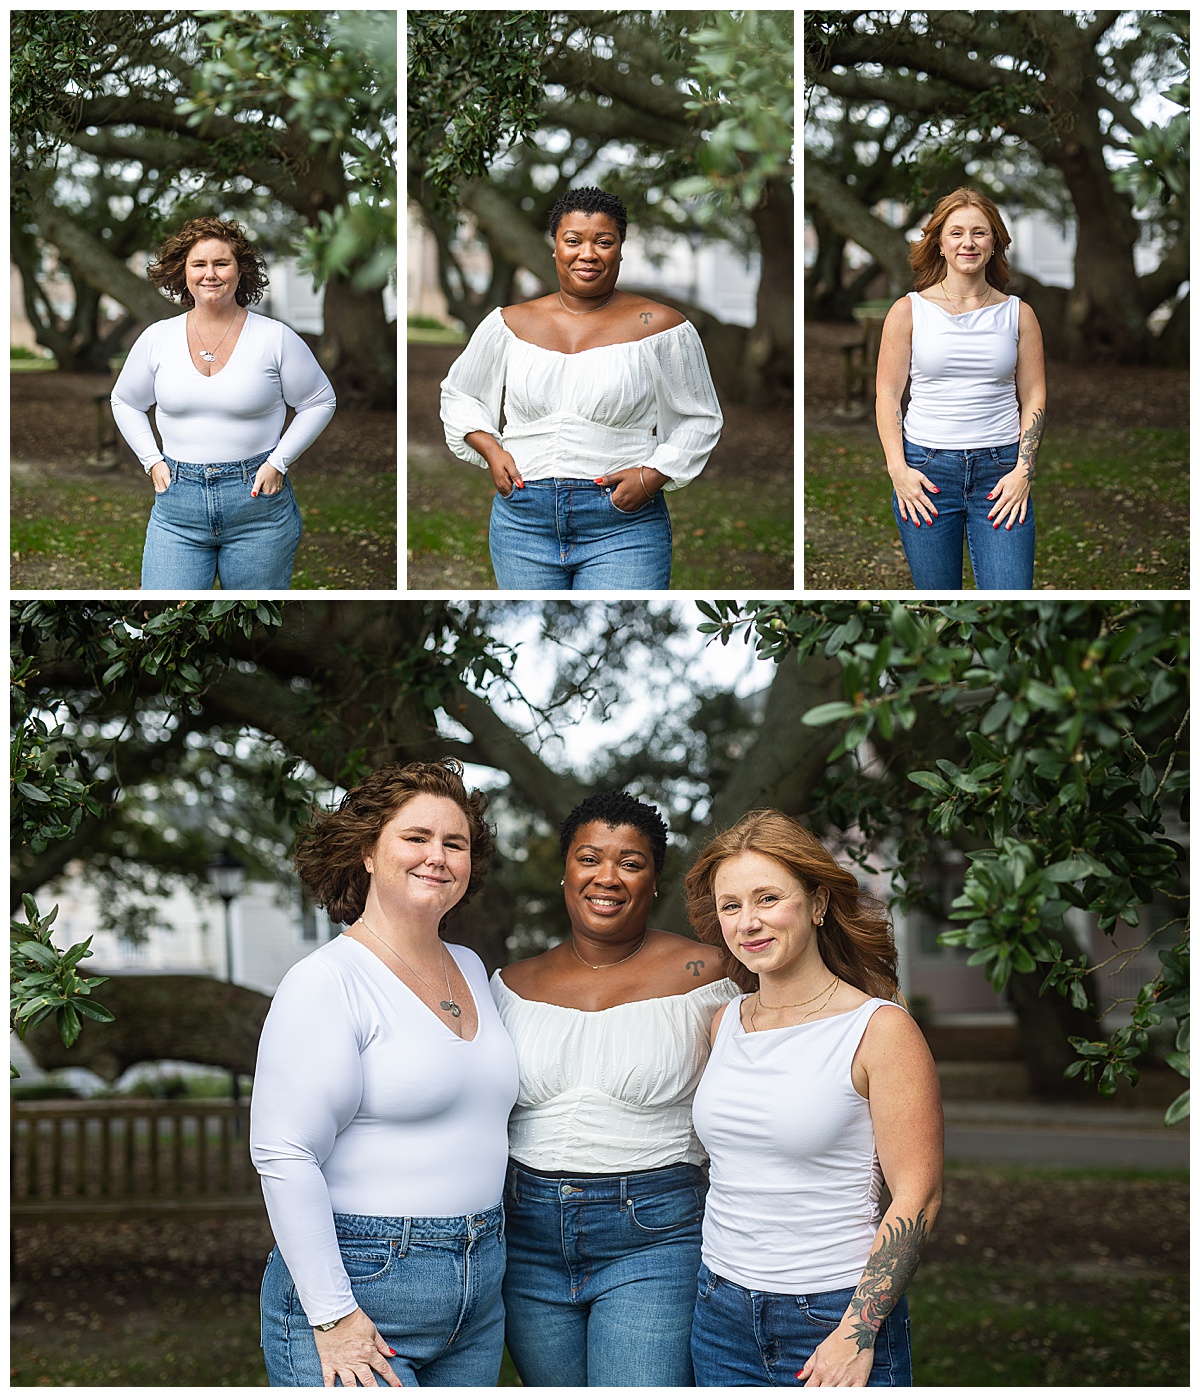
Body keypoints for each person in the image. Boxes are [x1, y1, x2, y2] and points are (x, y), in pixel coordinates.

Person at [250, 759, 519, 1388]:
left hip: (479, 1286)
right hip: (361, 1281)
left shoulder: (472, 968)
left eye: (455, 843)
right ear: (369, 851)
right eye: (416, 837)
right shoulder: (327, 981)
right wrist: (332, 1314)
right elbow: (283, 1152)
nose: (438, 856)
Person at [684, 810, 943, 1388]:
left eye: (768, 898)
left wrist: (857, 1334)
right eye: (731, 905)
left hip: (832, 1314)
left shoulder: (879, 1030)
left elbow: (918, 1197)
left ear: (818, 902)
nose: (748, 922)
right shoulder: (723, 1021)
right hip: (719, 1309)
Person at [489, 790, 738, 1386]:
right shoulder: (506, 986)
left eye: (630, 862)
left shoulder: (713, 973)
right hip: (524, 1238)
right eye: (590, 857)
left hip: (653, 1234)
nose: (608, 876)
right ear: (565, 872)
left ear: (654, 882)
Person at [440, 187, 723, 590]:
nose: (587, 254)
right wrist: (491, 448)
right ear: (555, 247)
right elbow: (459, 393)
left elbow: (701, 417)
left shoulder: (662, 327)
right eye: (573, 241)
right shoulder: (508, 323)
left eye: (603, 242)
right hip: (521, 523)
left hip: (622, 524)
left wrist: (652, 476)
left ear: (620, 250)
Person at [111, 215, 336, 590]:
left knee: (251, 624)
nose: (210, 274)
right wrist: (151, 460)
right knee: (170, 619)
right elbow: (124, 400)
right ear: (182, 272)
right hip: (177, 508)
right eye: (199, 264)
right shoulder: (157, 338)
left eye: (221, 263)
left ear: (240, 271)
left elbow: (320, 400)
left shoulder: (274, 337)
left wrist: (278, 463)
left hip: (258, 506)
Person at [876, 188, 1046, 590]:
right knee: (939, 603)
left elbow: (1034, 394)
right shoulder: (908, 310)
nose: (967, 242)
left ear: (995, 244)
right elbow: (887, 393)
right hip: (926, 471)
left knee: (1011, 596)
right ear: (939, 242)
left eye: (979, 233)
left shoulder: (1019, 314)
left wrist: (1024, 471)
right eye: (956, 233)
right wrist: (898, 470)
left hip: (1000, 473)